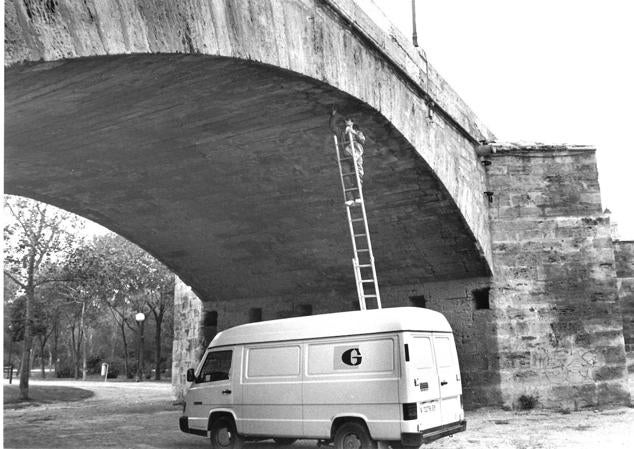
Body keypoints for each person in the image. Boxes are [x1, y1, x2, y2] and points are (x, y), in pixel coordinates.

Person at [329, 107, 366, 205]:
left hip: (356, 156)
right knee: (346, 176)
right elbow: (333, 127)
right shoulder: (341, 132)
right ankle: (349, 198)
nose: (347, 123)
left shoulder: (358, 132)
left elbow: (362, 141)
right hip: (346, 156)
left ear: (352, 123)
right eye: (346, 121)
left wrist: (353, 133)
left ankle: (358, 197)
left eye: (349, 121)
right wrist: (334, 116)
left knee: (358, 175)